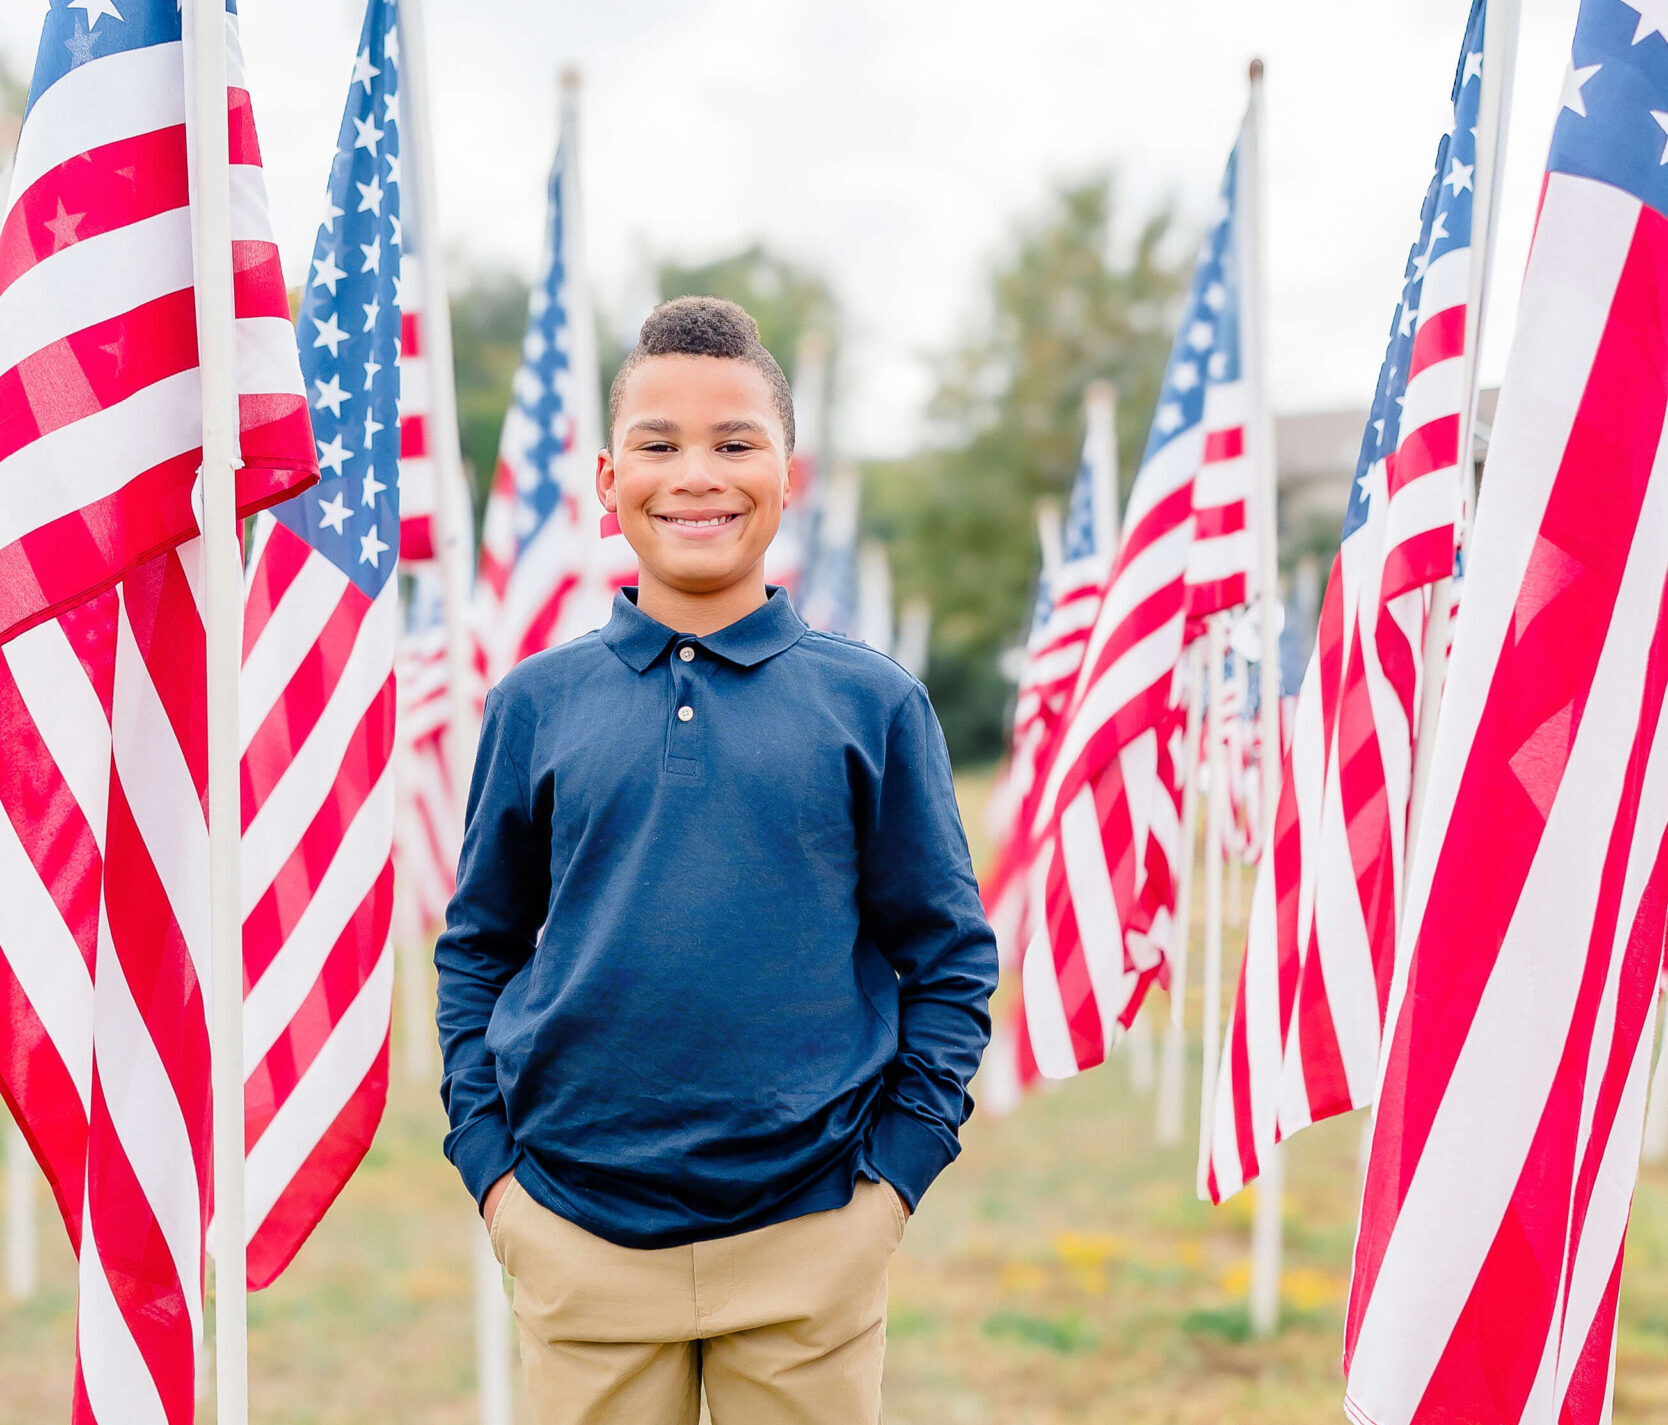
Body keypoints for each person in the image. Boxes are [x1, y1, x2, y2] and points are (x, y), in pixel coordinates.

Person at [435, 296, 998, 1425]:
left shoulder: (870, 703)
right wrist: (494, 1176)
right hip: (577, 1234)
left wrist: (891, 1186)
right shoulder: (537, 703)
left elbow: (948, 959)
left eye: (736, 443)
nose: (698, 474)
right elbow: (481, 947)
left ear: (792, 475)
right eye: (660, 444)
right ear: (607, 480)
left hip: (812, 1237)